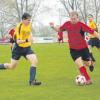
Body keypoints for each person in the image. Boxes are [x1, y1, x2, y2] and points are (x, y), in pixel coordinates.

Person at [50, 11, 100, 85]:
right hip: (73, 50)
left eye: (74, 18)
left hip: (83, 49)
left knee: (88, 64)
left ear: (77, 18)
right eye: (71, 18)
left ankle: (91, 63)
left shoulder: (81, 25)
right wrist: (53, 26)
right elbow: (59, 30)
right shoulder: (67, 24)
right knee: (80, 65)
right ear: (70, 18)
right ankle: (88, 79)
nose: (73, 20)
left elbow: (93, 32)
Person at [0, 13, 41, 86]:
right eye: (28, 20)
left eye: (30, 20)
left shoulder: (29, 24)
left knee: (34, 61)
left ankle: (31, 82)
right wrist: (27, 40)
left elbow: (29, 32)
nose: (29, 21)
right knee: (12, 66)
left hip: (27, 48)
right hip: (18, 49)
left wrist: (31, 37)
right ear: (23, 20)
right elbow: (18, 42)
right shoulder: (19, 27)